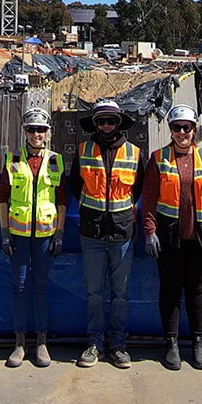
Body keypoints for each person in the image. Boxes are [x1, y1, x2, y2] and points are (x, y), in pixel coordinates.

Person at [142, 105, 202, 371]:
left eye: (186, 128)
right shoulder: (159, 159)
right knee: (170, 289)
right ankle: (171, 344)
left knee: (196, 290)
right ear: (170, 130)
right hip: (169, 237)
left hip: (201, 237)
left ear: (194, 130)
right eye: (177, 127)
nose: (181, 132)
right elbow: (149, 198)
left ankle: (198, 344)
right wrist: (149, 231)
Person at [67, 99, 145, 368]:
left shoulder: (134, 153)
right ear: (95, 124)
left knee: (120, 293)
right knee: (94, 292)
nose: (106, 125)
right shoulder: (83, 150)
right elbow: (76, 185)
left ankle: (119, 344)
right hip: (92, 232)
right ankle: (95, 343)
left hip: (123, 233)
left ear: (119, 123)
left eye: (111, 121)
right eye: (101, 121)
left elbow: (137, 189)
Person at [0, 106, 67, 368]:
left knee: (40, 288)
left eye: (41, 129)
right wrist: (5, 233)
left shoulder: (56, 160)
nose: (36, 134)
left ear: (48, 132)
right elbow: (2, 196)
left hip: (45, 236)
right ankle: (19, 343)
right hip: (18, 236)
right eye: (32, 129)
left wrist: (59, 234)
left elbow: (62, 199)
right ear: (25, 132)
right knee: (19, 287)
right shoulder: (12, 159)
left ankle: (41, 342)